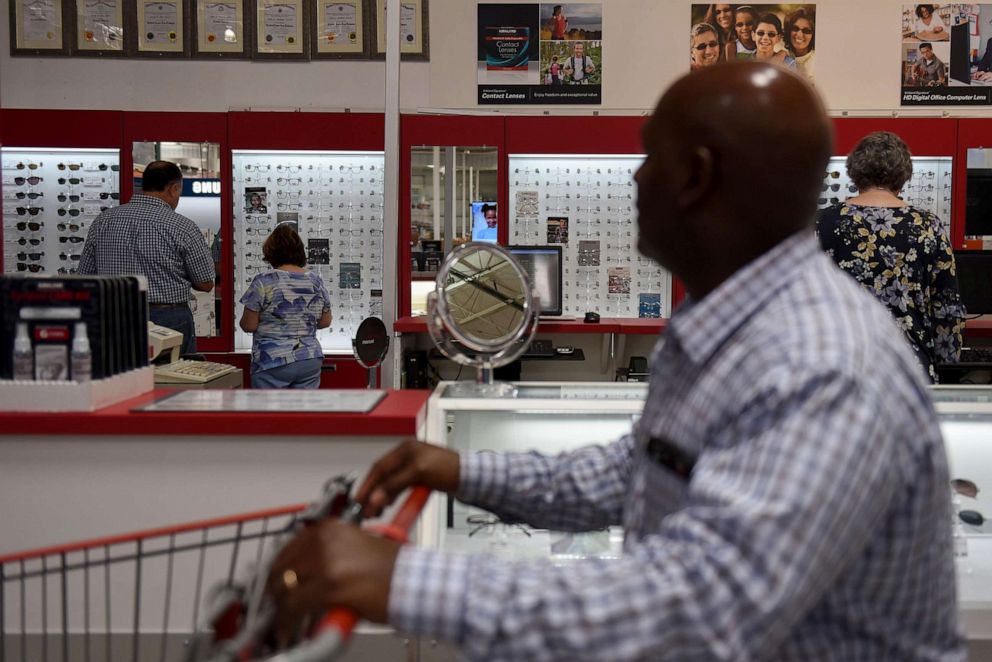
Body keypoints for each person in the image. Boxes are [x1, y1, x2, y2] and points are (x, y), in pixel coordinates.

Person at [265, 63, 965, 660]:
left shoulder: (823, 362)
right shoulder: (728, 325)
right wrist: (460, 469)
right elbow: (641, 471)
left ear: (695, 177)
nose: (635, 177)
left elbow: (700, 607)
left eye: (649, 155)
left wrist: (405, 583)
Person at [816, 131, 964, 383]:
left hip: (840, 364)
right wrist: (948, 370)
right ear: (904, 175)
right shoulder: (928, 226)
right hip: (908, 368)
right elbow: (947, 309)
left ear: (854, 172)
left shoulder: (824, 222)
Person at [78, 160, 214, 356]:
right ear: (174, 188)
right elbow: (205, 283)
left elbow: (85, 276)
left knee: (117, 376)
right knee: (172, 379)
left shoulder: (104, 220)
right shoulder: (183, 226)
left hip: (114, 315)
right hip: (168, 318)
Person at [239, 223, 331, 389]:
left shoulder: (263, 282)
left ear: (270, 252)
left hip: (272, 360)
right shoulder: (316, 281)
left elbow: (249, 325)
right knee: (303, 414)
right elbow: (325, 321)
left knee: (271, 414)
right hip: (309, 358)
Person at [784, 6, 815, 83]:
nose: (799, 35)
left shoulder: (818, 61)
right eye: (795, 28)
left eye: (806, 31)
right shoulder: (780, 54)